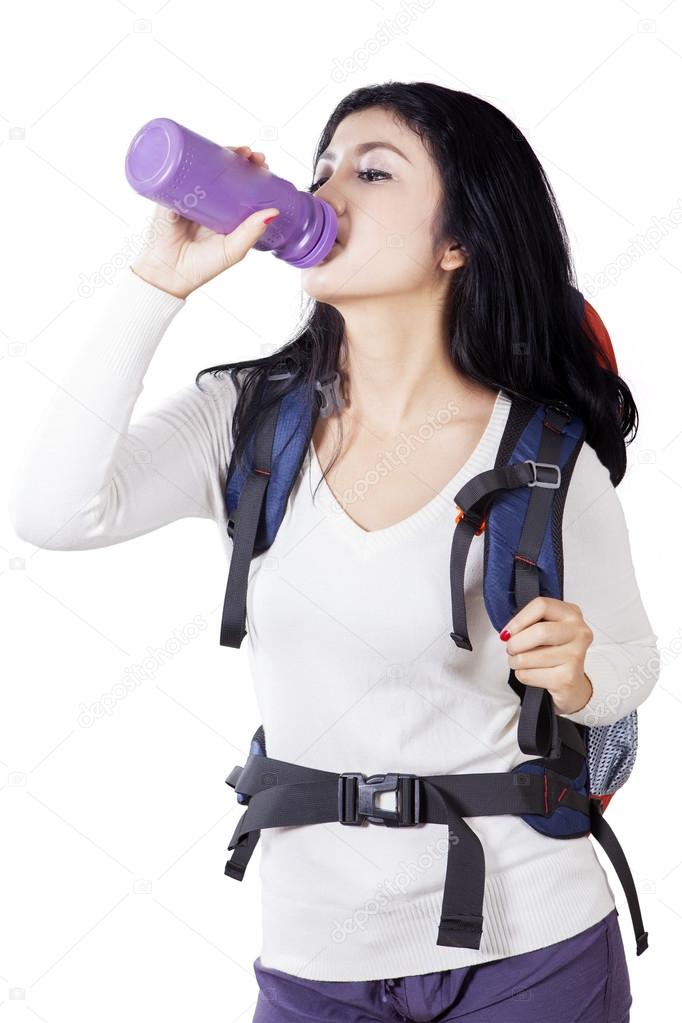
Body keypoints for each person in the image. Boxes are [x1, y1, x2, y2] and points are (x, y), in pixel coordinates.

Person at [9, 83, 659, 1022]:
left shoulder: (544, 455)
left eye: (373, 169)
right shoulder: (246, 422)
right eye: (322, 169)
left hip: (531, 943)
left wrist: (582, 674)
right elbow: (51, 510)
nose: (327, 188)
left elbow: (633, 664)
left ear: (456, 241)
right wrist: (156, 284)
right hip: (317, 951)